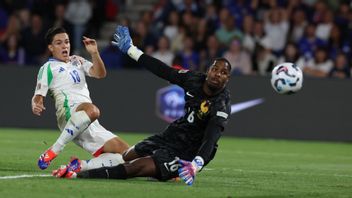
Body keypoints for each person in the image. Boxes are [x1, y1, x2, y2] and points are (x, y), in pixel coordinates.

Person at [54, 25, 231, 186]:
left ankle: (77, 175)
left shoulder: (221, 105)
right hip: (173, 134)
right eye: (215, 69)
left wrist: (196, 164)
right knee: (126, 156)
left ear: (227, 79)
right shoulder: (194, 80)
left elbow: (211, 138)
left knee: (134, 168)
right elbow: (163, 70)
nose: (217, 74)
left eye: (223, 73)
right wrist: (131, 50)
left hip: (189, 152)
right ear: (208, 70)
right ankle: (81, 165)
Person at [31, 26, 129, 171]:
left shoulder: (77, 61)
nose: (64, 45)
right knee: (94, 110)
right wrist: (36, 104)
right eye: (59, 43)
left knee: (127, 155)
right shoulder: (48, 67)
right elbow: (38, 95)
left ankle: (79, 166)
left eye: (67, 41)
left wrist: (95, 53)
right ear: (51, 47)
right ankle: (54, 150)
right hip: (69, 113)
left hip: (89, 122)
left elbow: (100, 74)